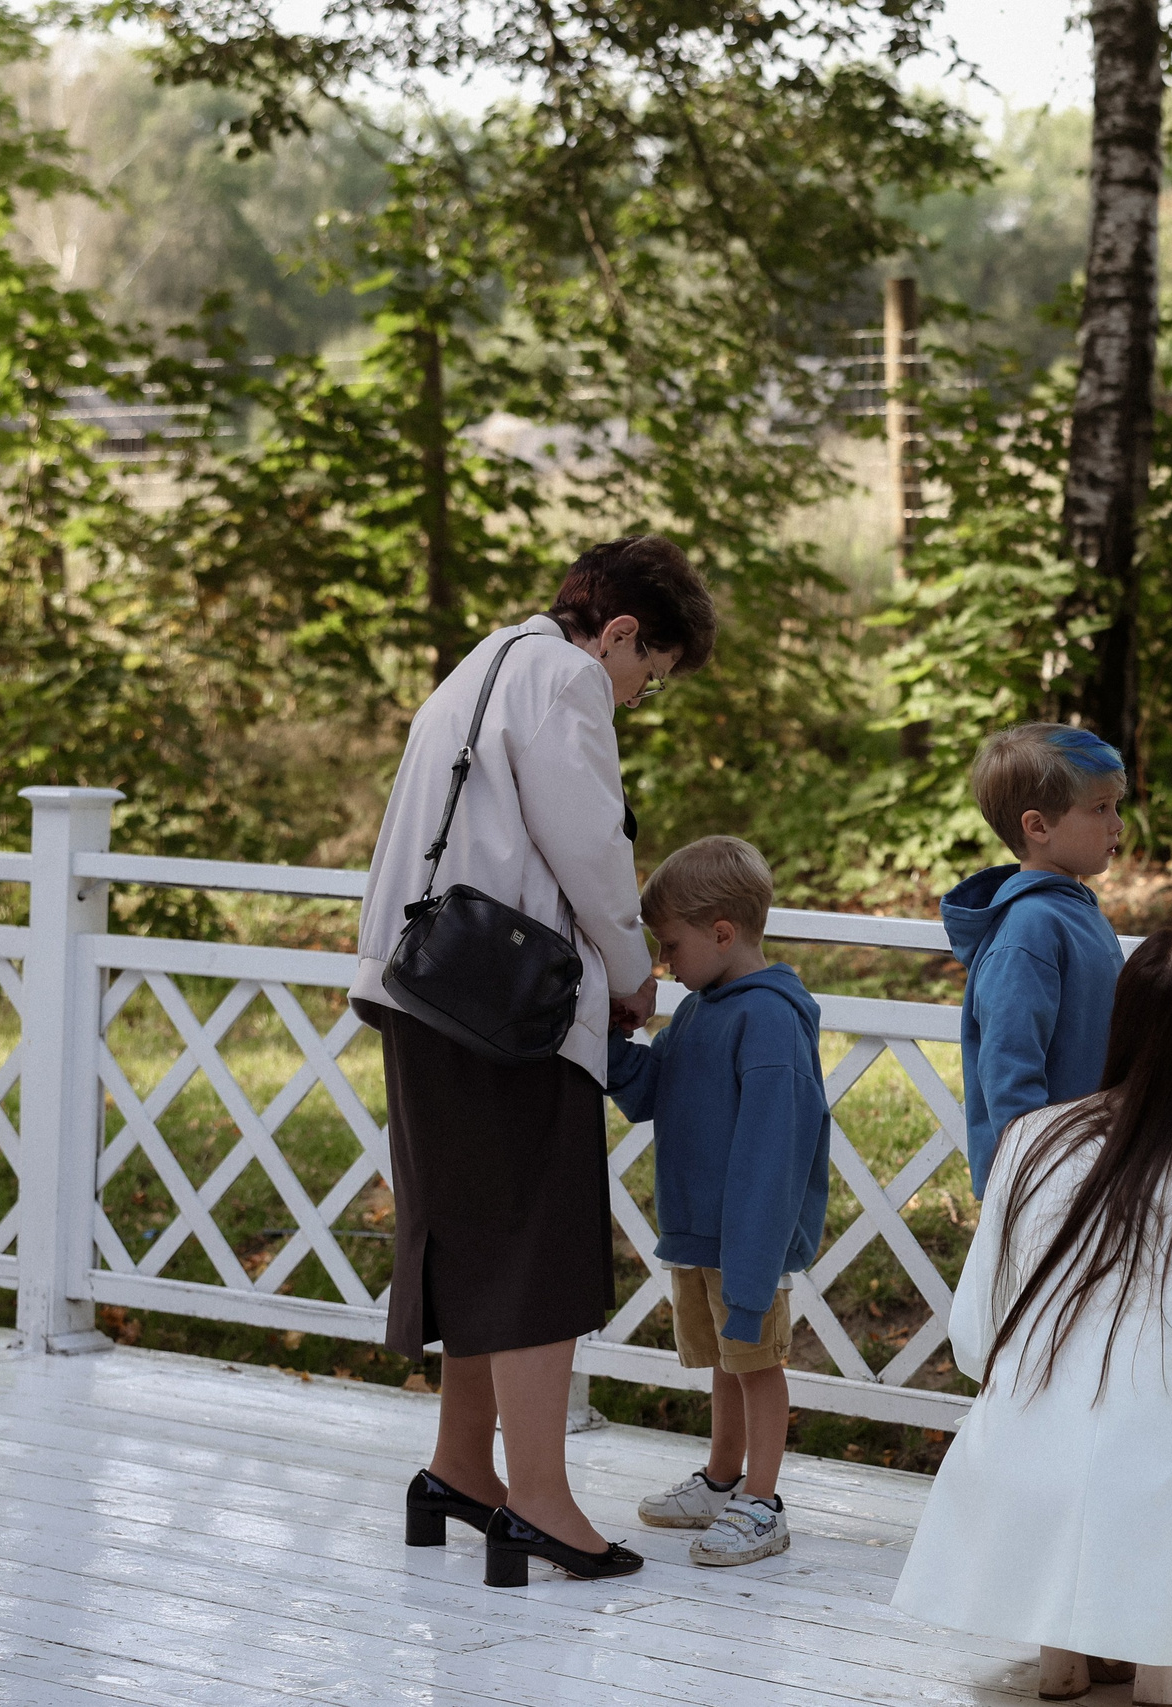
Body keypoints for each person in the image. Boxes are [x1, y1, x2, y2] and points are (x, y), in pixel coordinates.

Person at [351, 535, 714, 1588]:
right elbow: (591, 847)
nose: (640, 698)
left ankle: (462, 1472)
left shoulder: (486, 661)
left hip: (424, 988)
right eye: (649, 674)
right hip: (502, 1011)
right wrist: (629, 970)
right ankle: (539, 1504)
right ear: (619, 633)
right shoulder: (564, 682)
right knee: (538, 1249)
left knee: (471, 1235)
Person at [892, 930, 1172, 1707]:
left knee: (1083, 1415)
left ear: (1120, 1023)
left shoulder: (1031, 1139)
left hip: (1019, 1481)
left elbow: (973, 1338)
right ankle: (1169, 1658)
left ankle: (1062, 1656)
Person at [610, 836, 831, 1569]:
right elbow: (648, 1095)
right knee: (727, 1364)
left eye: (670, 945)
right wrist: (613, 1037)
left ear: (722, 933)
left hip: (749, 1238)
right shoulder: (701, 1011)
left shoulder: (768, 1019)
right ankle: (720, 1477)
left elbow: (773, 1151)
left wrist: (752, 1262)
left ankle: (762, 1502)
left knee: (757, 1361)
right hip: (698, 1233)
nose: (665, 962)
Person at [941, 724, 1127, 1199]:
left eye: (1116, 806)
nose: (1118, 824)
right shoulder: (1030, 928)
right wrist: (1036, 1180)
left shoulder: (1074, 908)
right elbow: (1010, 1069)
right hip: (1043, 1184)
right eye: (1100, 808)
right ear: (1038, 826)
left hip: (1095, 1166)